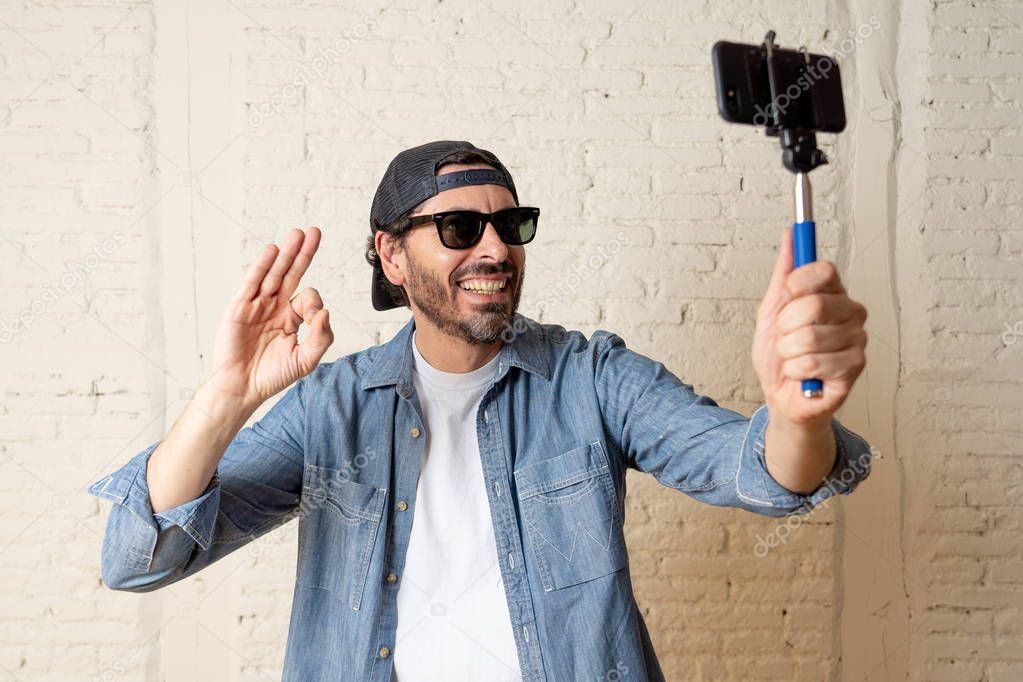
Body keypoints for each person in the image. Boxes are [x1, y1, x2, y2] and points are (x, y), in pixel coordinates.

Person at [89, 140, 872, 682]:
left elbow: (759, 475)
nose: (495, 248)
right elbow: (138, 558)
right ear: (391, 256)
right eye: (461, 228)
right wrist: (226, 399)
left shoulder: (589, 377)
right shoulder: (334, 407)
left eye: (511, 224)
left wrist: (794, 413)